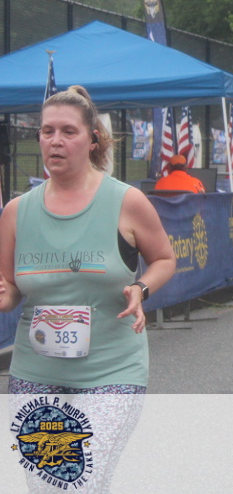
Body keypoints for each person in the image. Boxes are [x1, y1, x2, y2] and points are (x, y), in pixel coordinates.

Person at [0, 85, 176, 491]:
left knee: (80, 475)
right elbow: (10, 289)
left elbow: (165, 259)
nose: (55, 141)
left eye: (68, 131)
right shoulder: (16, 212)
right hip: (36, 373)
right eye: (47, 131)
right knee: (47, 484)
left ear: (92, 139)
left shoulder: (126, 201)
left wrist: (141, 288)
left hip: (112, 370)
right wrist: (4, 294)